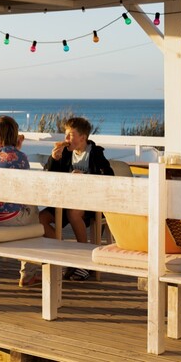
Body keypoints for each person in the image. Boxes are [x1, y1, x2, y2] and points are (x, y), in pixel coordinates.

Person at [39, 116, 114, 282]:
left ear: (83, 137)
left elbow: (109, 176)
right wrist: (53, 160)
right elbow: (50, 177)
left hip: (91, 205)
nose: (66, 139)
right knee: (40, 219)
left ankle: (83, 260)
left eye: (70, 135)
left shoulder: (95, 154)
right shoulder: (65, 153)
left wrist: (86, 177)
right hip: (66, 201)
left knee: (74, 213)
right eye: (66, 134)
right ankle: (66, 253)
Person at [0, 115, 41, 287]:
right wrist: (17, 150)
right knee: (34, 216)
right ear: (14, 133)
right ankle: (28, 274)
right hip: (9, 218)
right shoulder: (20, 157)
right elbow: (26, 189)